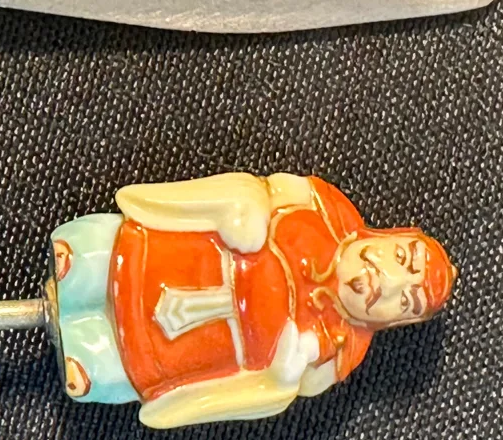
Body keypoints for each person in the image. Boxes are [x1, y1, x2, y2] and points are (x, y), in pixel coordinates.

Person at [50, 172, 455, 427]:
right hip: (169, 258)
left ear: (393, 322)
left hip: (189, 351)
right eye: (400, 258)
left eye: (405, 302)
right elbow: (266, 189)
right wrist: (246, 209)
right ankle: (83, 266)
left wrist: (281, 375)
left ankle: (94, 359)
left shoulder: (336, 353)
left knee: (97, 369)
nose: (386, 283)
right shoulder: (321, 208)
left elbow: (285, 389)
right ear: (387, 236)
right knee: (92, 260)